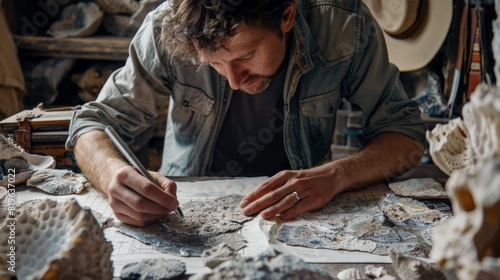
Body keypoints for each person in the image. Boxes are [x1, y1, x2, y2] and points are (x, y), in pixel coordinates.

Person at [67, 0, 426, 226]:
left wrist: (334, 176)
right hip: (187, 206)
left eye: (246, 56)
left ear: (286, 14)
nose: (235, 81)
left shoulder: (347, 25)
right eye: (215, 64)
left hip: (306, 209)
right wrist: (112, 174)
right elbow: (93, 123)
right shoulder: (166, 25)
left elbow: (405, 135)